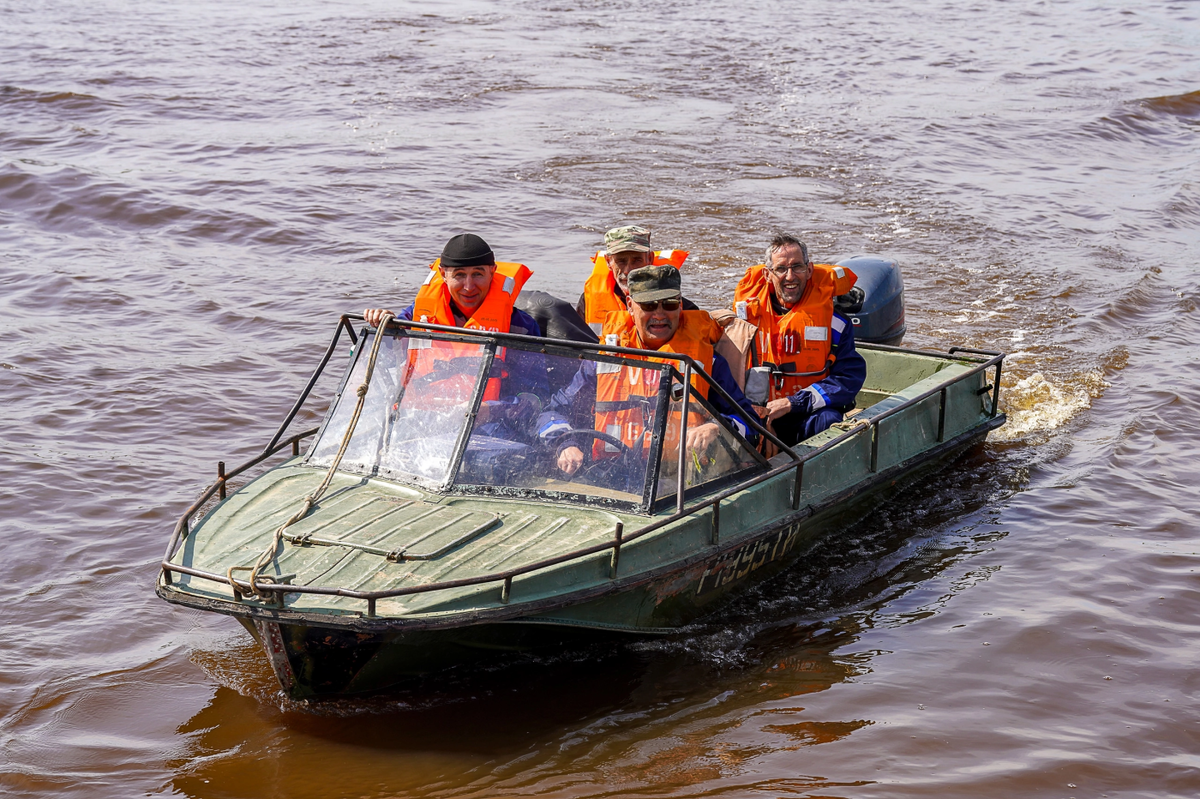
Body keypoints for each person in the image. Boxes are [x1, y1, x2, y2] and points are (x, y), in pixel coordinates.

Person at [552, 265, 759, 477]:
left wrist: (715, 428)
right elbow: (555, 411)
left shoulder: (707, 362)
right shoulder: (602, 359)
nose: (659, 314)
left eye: (668, 304)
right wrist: (566, 444)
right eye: (649, 305)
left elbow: (750, 426)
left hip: (677, 484)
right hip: (610, 476)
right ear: (630, 306)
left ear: (680, 306)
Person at [363, 232, 546, 412]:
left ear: (492, 272)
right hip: (418, 420)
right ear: (443, 274)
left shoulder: (521, 328)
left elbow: (535, 397)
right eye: (459, 275)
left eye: (477, 274)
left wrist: (491, 410)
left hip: (487, 427)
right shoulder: (415, 317)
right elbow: (379, 361)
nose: (468, 286)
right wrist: (382, 326)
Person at [732, 234, 865, 446]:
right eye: (781, 269)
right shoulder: (743, 320)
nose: (790, 276)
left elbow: (848, 377)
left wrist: (793, 403)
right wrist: (758, 418)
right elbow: (724, 373)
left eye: (798, 267)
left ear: (809, 270)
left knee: (829, 421)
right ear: (767, 274)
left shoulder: (835, 323)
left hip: (806, 414)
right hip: (755, 414)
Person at [576, 225, 697, 335]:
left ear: (649, 259)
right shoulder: (587, 302)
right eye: (621, 261)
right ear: (608, 261)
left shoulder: (678, 305)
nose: (629, 270)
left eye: (637, 261)